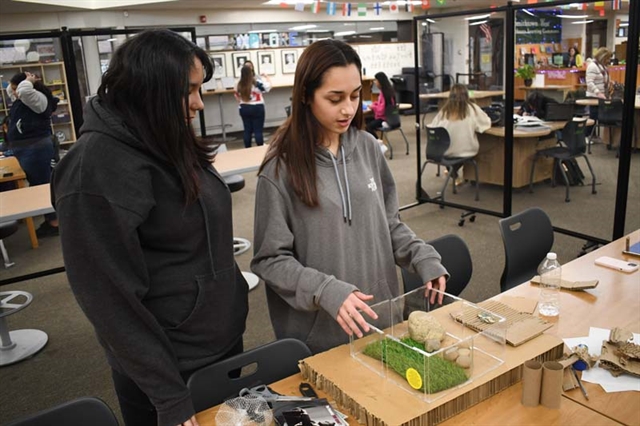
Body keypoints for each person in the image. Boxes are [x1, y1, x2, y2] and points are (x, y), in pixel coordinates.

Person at [51, 29, 249, 426]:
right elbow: (110, 302)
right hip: (168, 371)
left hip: (217, 342)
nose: (198, 103)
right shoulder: (94, 170)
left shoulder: (165, 135)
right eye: (187, 91)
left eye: (199, 88)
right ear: (147, 89)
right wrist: (170, 399)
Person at [250, 39, 448, 355]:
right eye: (335, 98)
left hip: (382, 322)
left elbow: (389, 224)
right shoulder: (279, 171)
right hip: (322, 339)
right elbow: (269, 260)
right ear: (305, 96)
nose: (348, 108)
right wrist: (325, 290)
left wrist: (422, 256)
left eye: (355, 95)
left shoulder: (369, 148)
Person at [6, 71, 59, 237]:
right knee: (38, 184)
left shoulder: (37, 99)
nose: (14, 92)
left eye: (16, 88)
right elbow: (14, 91)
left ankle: (55, 223)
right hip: (26, 149)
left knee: (43, 186)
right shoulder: (23, 98)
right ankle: (52, 220)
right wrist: (20, 81)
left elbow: (24, 91)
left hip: (36, 149)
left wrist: (28, 80)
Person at [235, 61, 271, 148]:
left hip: (244, 107)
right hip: (257, 107)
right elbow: (268, 87)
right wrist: (267, 77)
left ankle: (247, 149)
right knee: (258, 130)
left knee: (247, 130)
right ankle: (259, 148)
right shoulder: (256, 83)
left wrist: (242, 102)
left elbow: (236, 96)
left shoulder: (238, 83)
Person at [585, 47, 612, 139]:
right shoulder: (592, 66)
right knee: (593, 116)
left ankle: (593, 135)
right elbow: (590, 82)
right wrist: (598, 93)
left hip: (602, 95)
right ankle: (587, 135)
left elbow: (605, 78)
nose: (608, 60)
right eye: (607, 58)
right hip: (594, 96)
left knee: (596, 116)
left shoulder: (602, 66)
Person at [365, 71, 396, 139]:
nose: (375, 82)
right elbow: (381, 103)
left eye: (376, 80)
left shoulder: (385, 93)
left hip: (384, 119)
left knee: (368, 127)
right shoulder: (387, 91)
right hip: (389, 117)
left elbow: (381, 110)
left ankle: (378, 143)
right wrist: (375, 104)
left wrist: (373, 107)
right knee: (366, 120)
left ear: (380, 81)